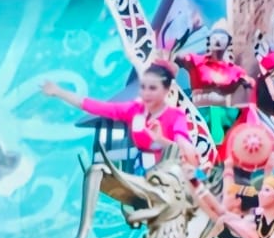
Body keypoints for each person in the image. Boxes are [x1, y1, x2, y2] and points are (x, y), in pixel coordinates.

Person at [41, 63, 201, 169]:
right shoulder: (134, 110)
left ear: (167, 91)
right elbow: (95, 107)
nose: (146, 93)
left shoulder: (176, 116)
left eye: (153, 88)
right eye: (143, 87)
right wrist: (59, 92)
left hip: (173, 173)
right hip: (144, 171)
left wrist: (159, 139)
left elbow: (184, 147)